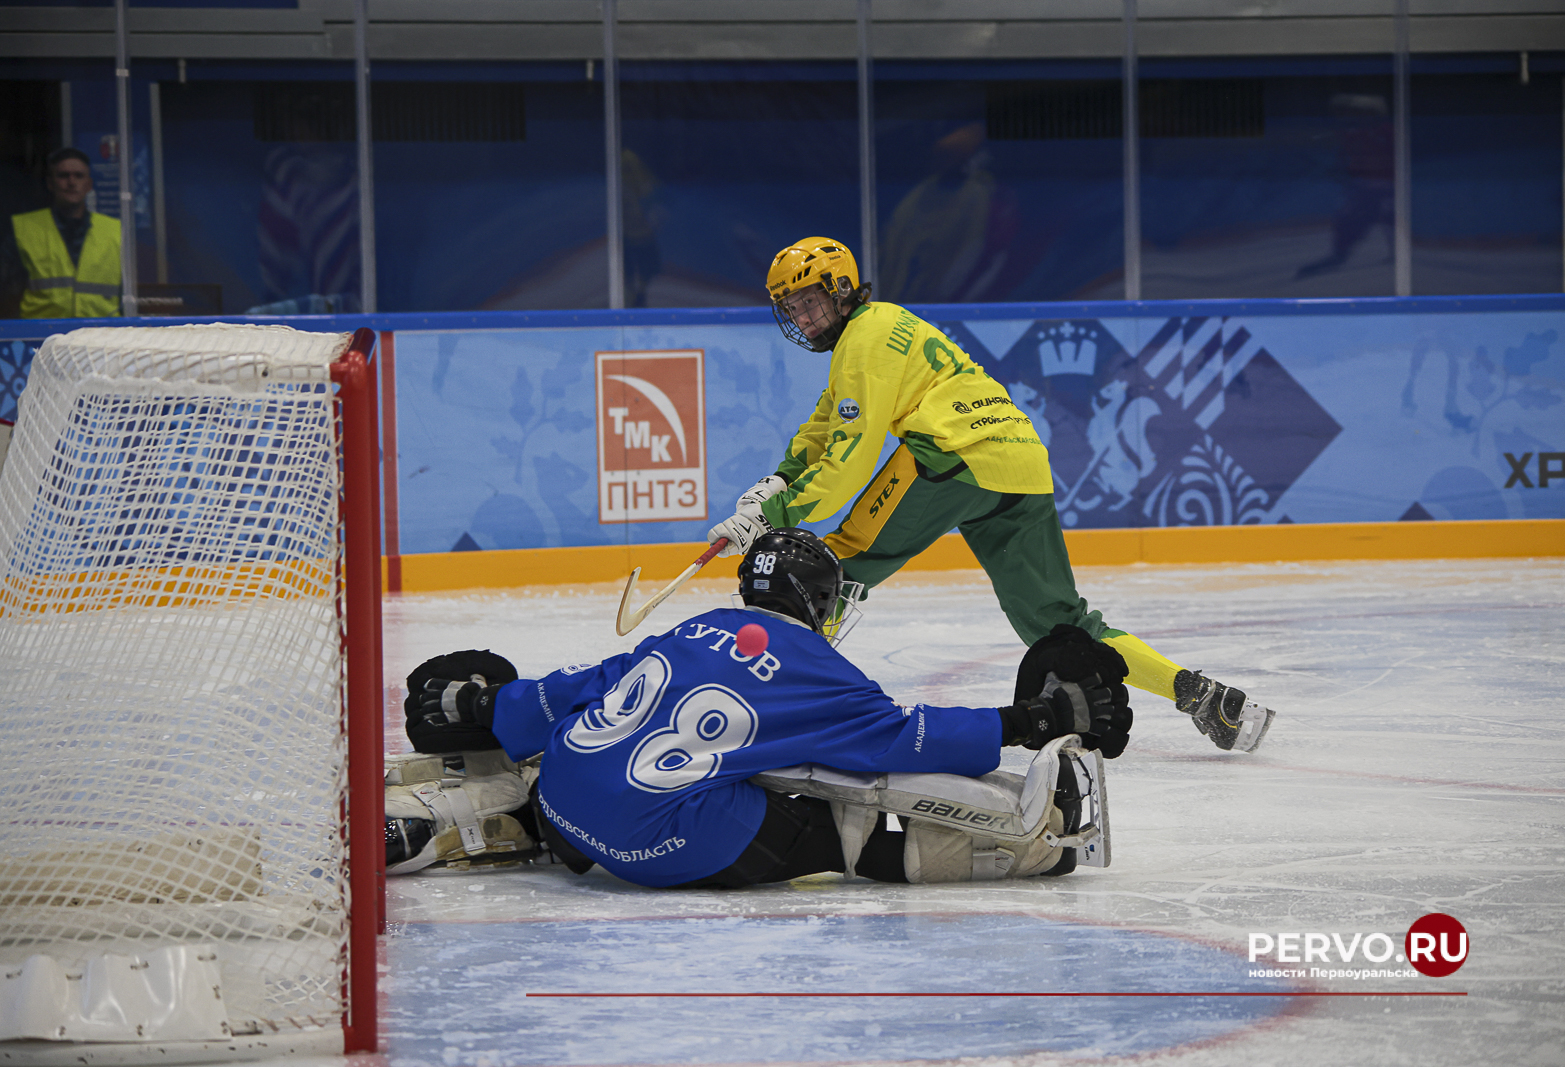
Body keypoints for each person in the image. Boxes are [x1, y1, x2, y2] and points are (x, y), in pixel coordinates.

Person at [705, 237, 1274, 754]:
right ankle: (1199, 695)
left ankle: (775, 711)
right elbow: (823, 429)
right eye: (792, 309)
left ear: (842, 288)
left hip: (948, 457)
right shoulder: (877, 331)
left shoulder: (864, 340)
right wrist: (775, 484)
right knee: (1062, 627)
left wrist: (775, 516)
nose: (802, 318)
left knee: (830, 569)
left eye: (809, 301)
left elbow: (849, 457)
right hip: (1019, 463)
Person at [392, 528, 1132, 888]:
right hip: (660, 846)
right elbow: (905, 741)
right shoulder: (817, 667)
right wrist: (1031, 720)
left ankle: (496, 812)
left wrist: (484, 703)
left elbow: (562, 693)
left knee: (597, 735)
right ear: (817, 600)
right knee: (840, 814)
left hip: (564, 801)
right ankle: (1027, 848)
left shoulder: (687, 627)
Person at [0, 147, 121, 319]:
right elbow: (6, 292)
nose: (71, 182)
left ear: (89, 185)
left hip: (100, 337)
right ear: (50, 183)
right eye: (63, 175)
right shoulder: (24, 229)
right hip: (40, 337)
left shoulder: (115, 230)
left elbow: (127, 291)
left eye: (79, 176)